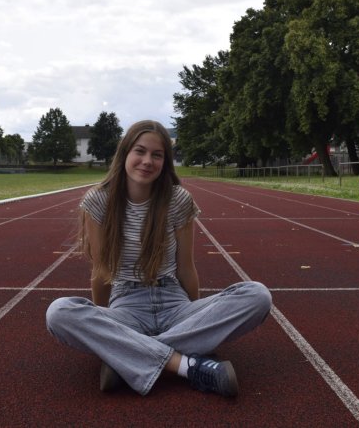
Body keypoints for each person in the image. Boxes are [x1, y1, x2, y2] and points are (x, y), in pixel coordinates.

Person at [45, 120, 272, 396]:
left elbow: (186, 267)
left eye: (157, 155)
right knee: (58, 313)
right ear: (125, 153)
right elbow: (101, 272)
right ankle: (186, 364)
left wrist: (112, 343)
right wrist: (104, 321)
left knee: (257, 295)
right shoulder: (99, 201)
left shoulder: (178, 200)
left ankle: (128, 358)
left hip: (175, 305)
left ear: (165, 162)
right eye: (140, 151)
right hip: (126, 305)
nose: (147, 161)